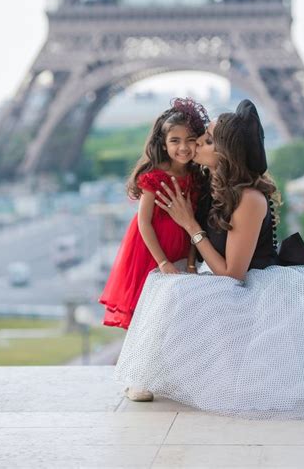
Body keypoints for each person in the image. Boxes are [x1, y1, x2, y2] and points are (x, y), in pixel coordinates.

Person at [114, 100, 304, 419]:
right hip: (229, 278)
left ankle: (155, 375)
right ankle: (153, 376)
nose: (196, 143)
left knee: (174, 292)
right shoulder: (210, 184)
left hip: (251, 284)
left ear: (227, 154)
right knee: (167, 287)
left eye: (207, 139)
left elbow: (232, 273)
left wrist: (190, 225)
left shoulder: (249, 199)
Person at [98, 97, 209, 394]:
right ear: (163, 142)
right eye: (175, 140)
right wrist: (161, 262)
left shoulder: (197, 179)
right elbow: (144, 223)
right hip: (151, 253)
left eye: (189, 141)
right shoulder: (155, 177)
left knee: (169, 320)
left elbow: (193, 222)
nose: (183, 148)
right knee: (146, 318)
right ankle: (136, 379)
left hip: (179, 252)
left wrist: (188, 262)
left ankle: (161, 375)